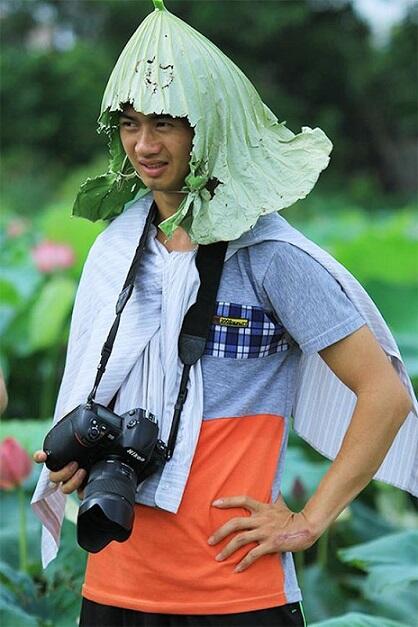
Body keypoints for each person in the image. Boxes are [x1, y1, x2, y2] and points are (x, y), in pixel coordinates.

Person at [32, 2, 417, 626]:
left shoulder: (272, 257)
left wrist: (310, 520)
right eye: (129, 124)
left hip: (239, 594)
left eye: (165, 124)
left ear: (208, 128)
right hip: (114, 585)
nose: (144, 145)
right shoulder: (116, 252)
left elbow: (385, 394)